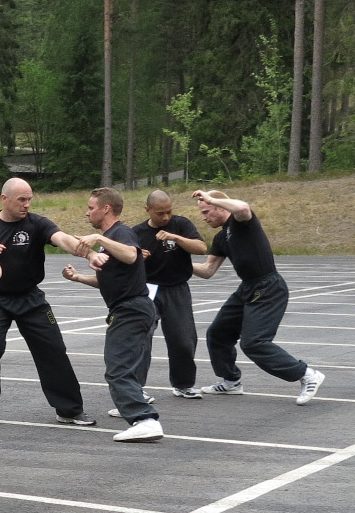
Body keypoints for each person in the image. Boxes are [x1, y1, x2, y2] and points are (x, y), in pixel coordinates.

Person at [0, 177, 95, 428]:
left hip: (31, 298)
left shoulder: (37, 223)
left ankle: (69, 409)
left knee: (53, 349)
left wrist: (88, 253)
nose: (27, 204)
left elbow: (62, 239)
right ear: (5, 199)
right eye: (21, 200)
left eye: (29, 199)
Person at [191, 190, 325, 405]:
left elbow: (242, 207)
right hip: (247, 289)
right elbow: (207, 271)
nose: (204, 217)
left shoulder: (242, 222)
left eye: (206, 211)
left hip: (269, 287)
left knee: (253, 343)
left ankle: (306, 373)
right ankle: (231, 382)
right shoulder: (221, 237)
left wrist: (212, 198)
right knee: (218, 334)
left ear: (221, 207)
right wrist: (179, 264)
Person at [61, 188, 164, 442]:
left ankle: (144, 419)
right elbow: (109, 280)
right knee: (124, 367)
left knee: (118, 369)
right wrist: (78, 278)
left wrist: (98, 237)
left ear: (106, 209)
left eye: (91, 207)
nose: (87, 213)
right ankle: (138, 412)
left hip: (131, 309)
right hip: (131, 307)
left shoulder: (121, 233)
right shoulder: (114, 238)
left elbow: (131, 256)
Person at [133, 190, 205, 399]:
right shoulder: (137, 232)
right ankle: (135, 389)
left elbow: (201, 248)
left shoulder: (181, 225)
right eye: (160, 213)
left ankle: (183, 384)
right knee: (142, 338)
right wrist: (138, 257)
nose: (165, 217)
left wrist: (176, 237)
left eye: (168, 212)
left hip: (177, 288)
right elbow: (124, 259)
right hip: (148, 290)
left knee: (184, 339)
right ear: (148, 211)